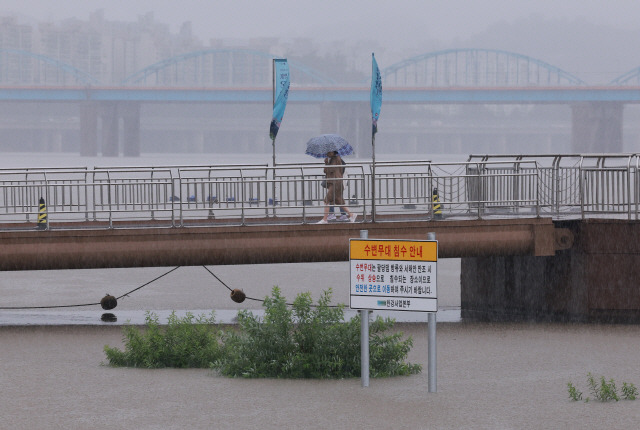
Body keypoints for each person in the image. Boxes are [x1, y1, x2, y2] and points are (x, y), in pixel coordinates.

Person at [317, 151, 357, 224]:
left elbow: (331, 170)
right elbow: (325, 171)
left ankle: (325, 219)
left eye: (329, 152)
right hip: (333, 182)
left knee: (327, 200)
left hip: (335, 183)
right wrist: (326, 163)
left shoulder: (336, 159)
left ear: (333, 152)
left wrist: (327, 164)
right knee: (339, 201)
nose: (327, 153)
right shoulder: (331, 159)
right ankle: (351, 214)